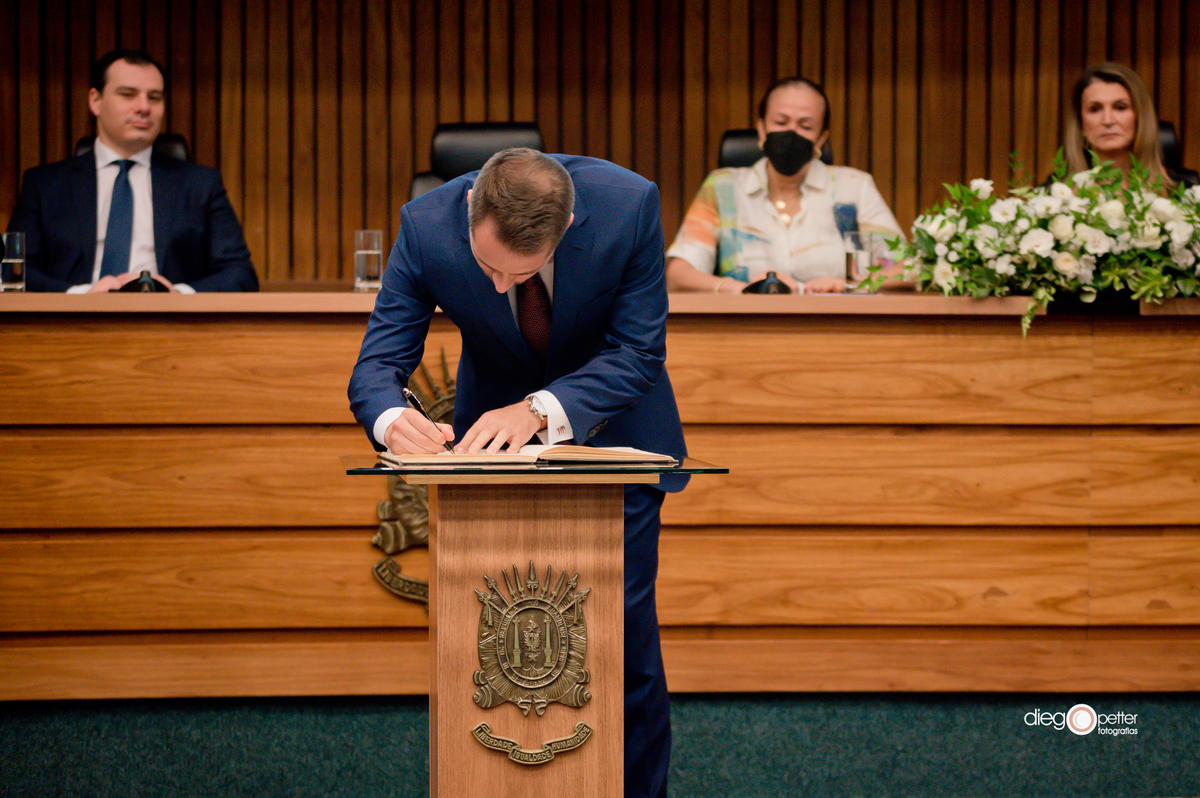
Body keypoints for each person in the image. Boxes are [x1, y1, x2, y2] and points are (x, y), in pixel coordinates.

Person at [347, 148, 687, 798]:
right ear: (472, 213)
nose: (500, 287)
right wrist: (393, 421)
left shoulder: (627, 206)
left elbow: (639, 351)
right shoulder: (426, 224)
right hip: (487, 461)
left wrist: (540, 410)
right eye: (486, 268)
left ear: (565, 230)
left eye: (521, 272)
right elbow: (377, 364)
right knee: (485, 646)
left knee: (623, 645)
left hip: (616, 445)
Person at [7, 49, 258, 292]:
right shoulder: (44, 184)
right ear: (95, 100)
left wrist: (178, 295)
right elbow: (14, 270)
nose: (144, 107)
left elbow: (239, 273)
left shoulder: (201, 184)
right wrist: (82, 296)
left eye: (155, 97)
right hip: (71, 327)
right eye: (128, 94)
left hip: (171, 326)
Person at [666, 76, 904, 294]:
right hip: (743, 327)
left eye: (806, 126)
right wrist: (741, 289)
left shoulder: (854, 187)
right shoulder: (723, 187)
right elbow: (678, 273)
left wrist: (850, 285)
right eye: (781, 122)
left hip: (835, 326)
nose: (792, 132)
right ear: (761, 129)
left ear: (821, 138)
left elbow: (908, 267)